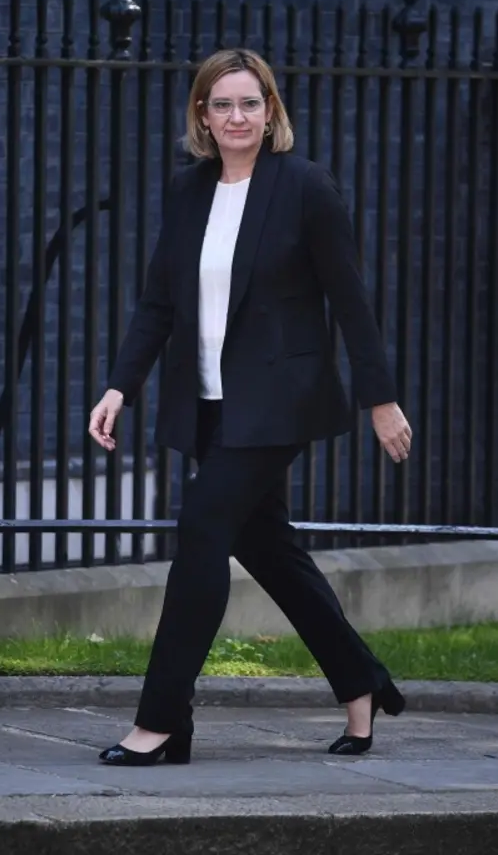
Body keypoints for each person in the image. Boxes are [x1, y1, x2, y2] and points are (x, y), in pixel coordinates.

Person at [88, 48, 412, 767]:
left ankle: (162, 720)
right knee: (269, 547)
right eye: (221, 104)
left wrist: (380, 400)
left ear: (271, 113)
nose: (236, 117)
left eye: (250, 104)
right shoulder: (188, 190)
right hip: (209, 403)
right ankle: (361, 684)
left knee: (202, 529)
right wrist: (120, 386)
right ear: (201, 116)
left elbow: (351, 301)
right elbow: (158, 302)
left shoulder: (305, 188)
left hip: (278, 401)